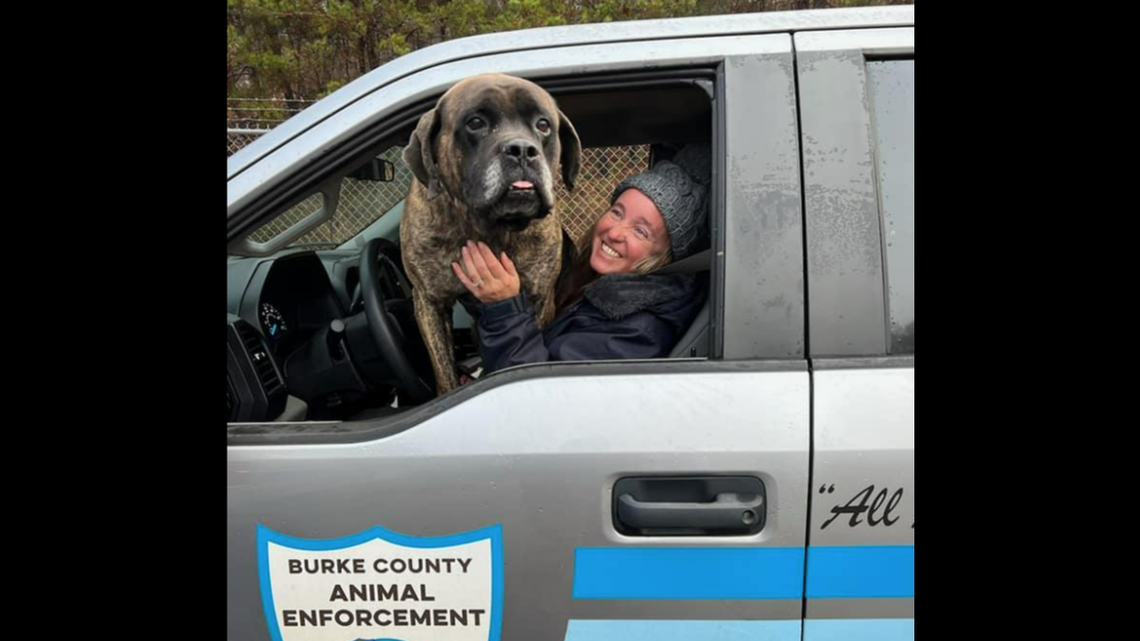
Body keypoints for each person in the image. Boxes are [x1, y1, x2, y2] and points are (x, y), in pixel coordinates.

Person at [452, 144, 710, 374]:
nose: (615, 232)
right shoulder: (591, 279)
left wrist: (504, 309)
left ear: (665, 256)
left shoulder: (637, 331)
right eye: (617, 212)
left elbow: (542, 394)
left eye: (641, 231)